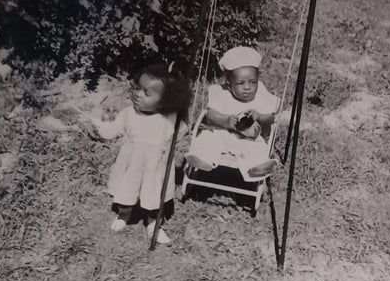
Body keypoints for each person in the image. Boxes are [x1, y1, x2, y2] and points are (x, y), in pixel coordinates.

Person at [91, 63, 191, 245]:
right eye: (137, 88)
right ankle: (125, 214)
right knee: (126, 192)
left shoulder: (169, 119)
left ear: (165, 102)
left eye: (147, 93)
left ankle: (153, 223)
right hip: (131, 165)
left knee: (154, 197)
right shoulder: (128, 114)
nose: (138, 94)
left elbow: (183, 130)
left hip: (155, 169)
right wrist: (99, 128)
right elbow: (112, 131)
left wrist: (182, 111)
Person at [187, 45, 279, 180]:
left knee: (256, 148)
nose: (247, 88)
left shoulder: (261, 94)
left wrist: (260, 116)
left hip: (247, 139)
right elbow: (210, 115)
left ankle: (257, 166)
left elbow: (271, 118)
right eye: (241, 83)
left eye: (253, 82)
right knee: (208, 138)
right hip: (221, 134)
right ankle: (202, 158)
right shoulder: (222, 93)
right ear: (229, 84)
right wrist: (225, 121)